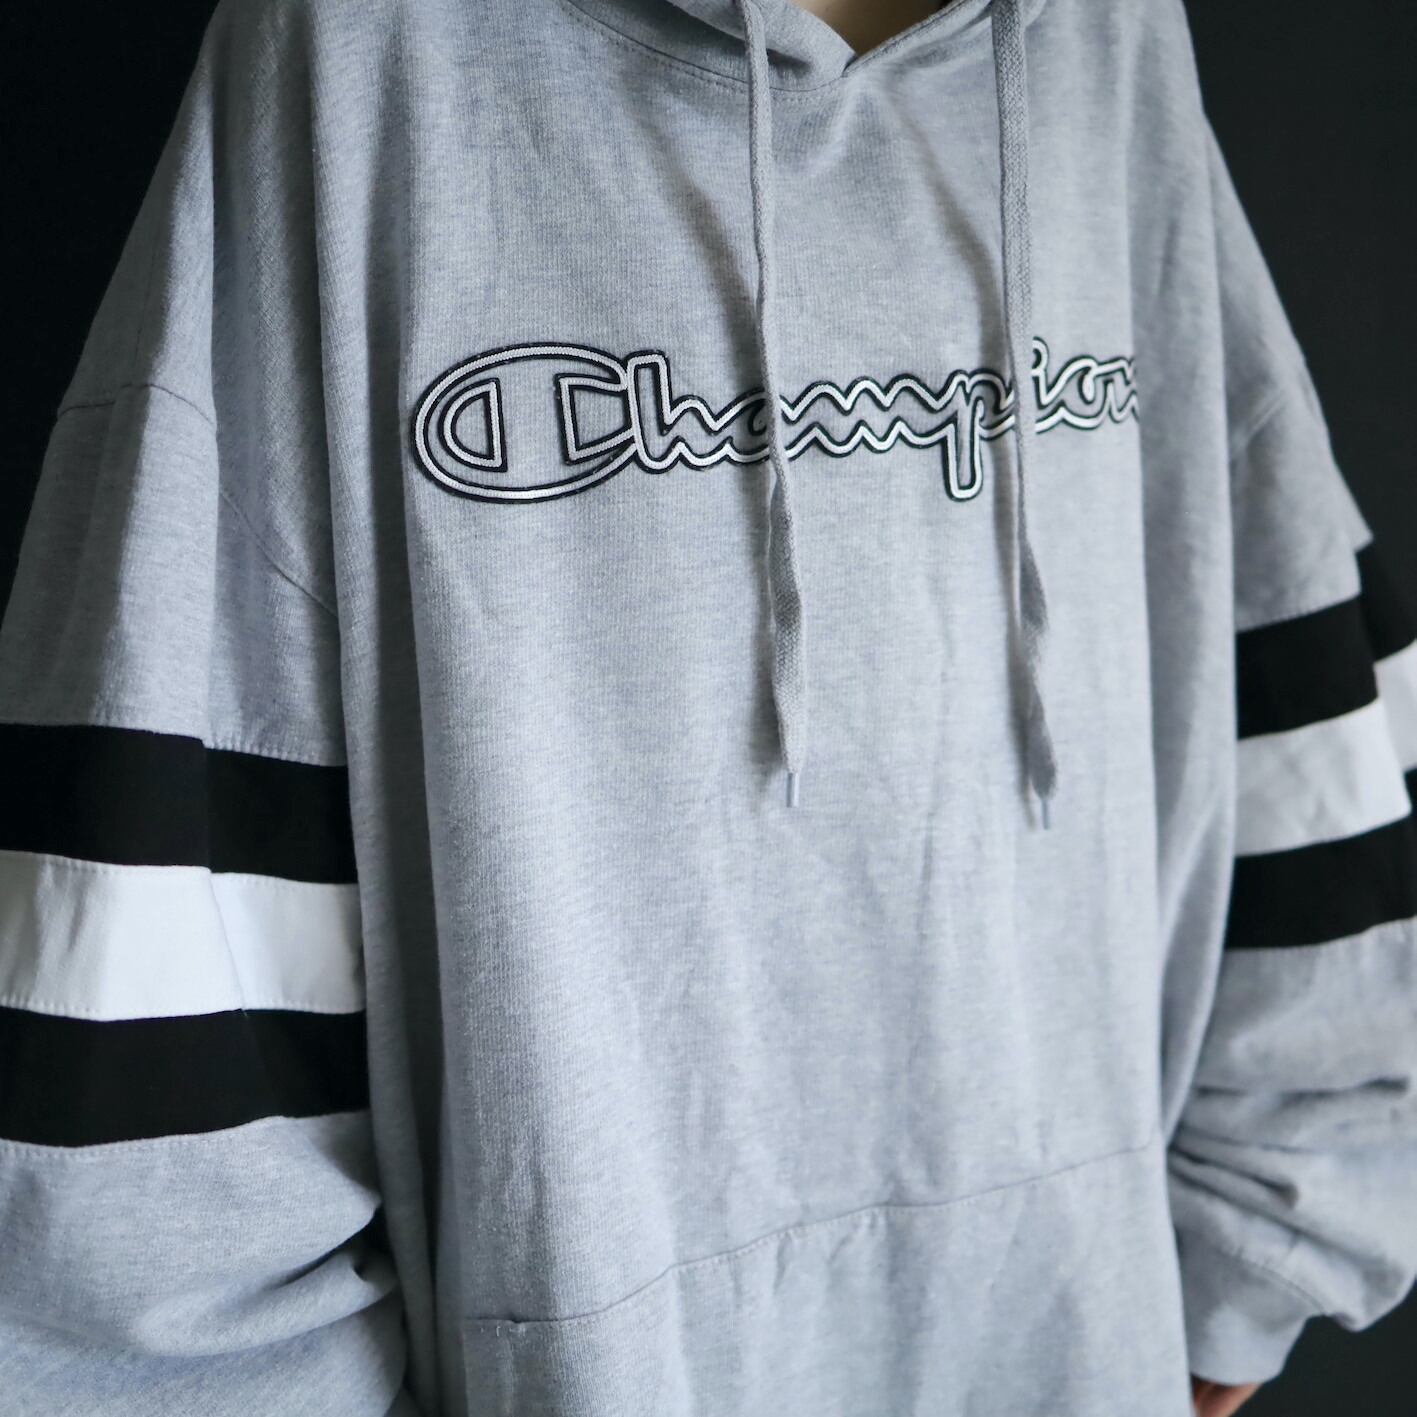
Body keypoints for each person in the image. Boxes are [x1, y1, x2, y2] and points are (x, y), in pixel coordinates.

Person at [0, 0, 1412, 1413]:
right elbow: (171, 798)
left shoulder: (1107, 41)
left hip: (1075, 1348)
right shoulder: (362, 45)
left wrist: (1263, 1242)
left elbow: (1265, 581)